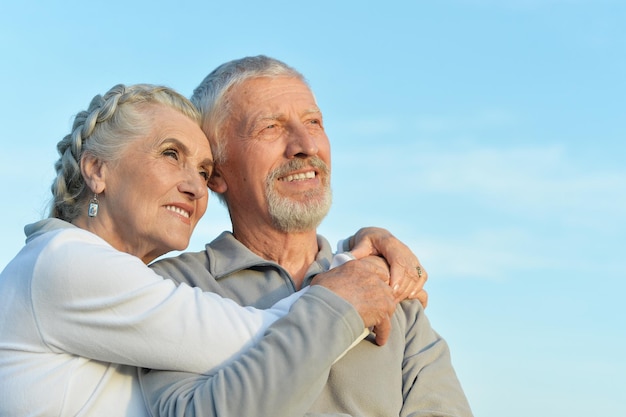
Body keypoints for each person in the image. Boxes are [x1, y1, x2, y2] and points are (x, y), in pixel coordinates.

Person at [0, 83, 427, 416]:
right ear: (97, 169)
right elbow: (252, 339)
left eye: (204, 170)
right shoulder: (65, 264)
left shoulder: (98, 276)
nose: (193, 186)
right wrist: (356, 271)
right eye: (171, 154)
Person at [140, 55, 473, 416]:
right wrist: (334, 306)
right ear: (216, 173)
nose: (306, 145)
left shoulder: (385, 280)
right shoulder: (167, 288)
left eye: (313, 122)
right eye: (270, 127)